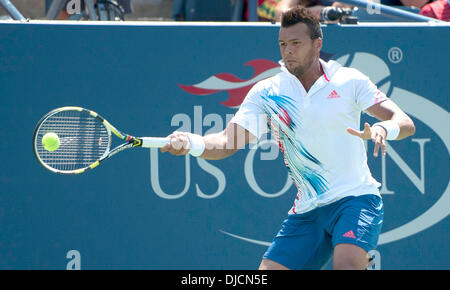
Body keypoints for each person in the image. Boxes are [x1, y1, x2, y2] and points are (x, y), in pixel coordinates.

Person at [161, 6, 415, 270]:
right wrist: (191, 143)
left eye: (296, 43)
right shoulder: (267, 92)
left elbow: (404, 122)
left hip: (356, 199)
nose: (288, 51)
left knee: (348, 264)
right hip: (308, 211)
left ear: (318, 44)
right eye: (283, 44)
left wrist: (384, 129)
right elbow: (227, 142)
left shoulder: (348, 81)